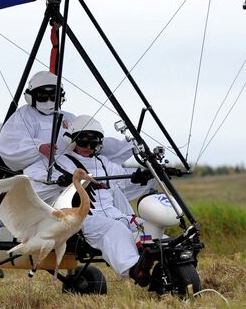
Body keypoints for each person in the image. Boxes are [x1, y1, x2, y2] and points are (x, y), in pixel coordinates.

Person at [24, 115, 157, 285]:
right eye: (83, 142)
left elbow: (123, 181)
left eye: (93, 143)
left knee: (144, 225)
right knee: (114, 229)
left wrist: (140, 176)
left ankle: (166, 258)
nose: (88, 147)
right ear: (72, 141)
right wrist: (59, 180)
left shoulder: (104, 163)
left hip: (113, 213)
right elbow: (31, 175)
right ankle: (134, 270)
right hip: (84, 218)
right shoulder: (60, 162)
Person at [0, 71, 133, 173]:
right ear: (31, 97)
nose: (49, 101)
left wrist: (129, 145)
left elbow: (90, 139)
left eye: (54, 97)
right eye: (43, 97)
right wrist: (38, 148)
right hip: (41, 174)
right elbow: (10, 143)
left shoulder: (68, 117)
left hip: (71, 171)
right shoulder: (24, 116)